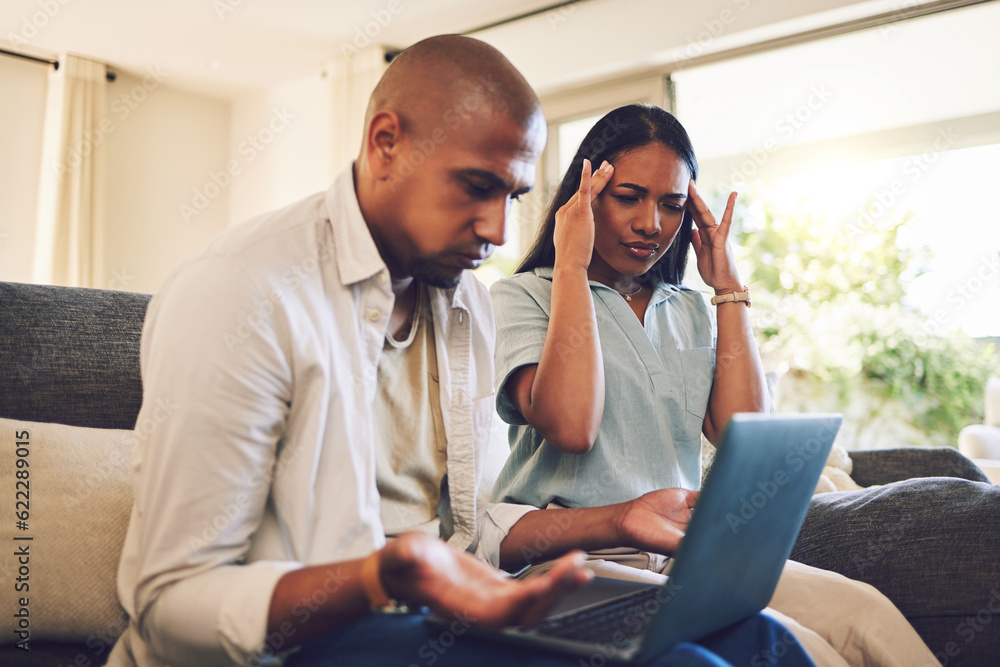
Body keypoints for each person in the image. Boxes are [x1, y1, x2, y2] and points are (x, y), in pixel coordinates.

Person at [107, 37, 814, 667]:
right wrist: (383, 577)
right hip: (319, 639)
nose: (499, 230)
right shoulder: (242, 291)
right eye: (478, 186)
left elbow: (473, 531)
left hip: (455, 610)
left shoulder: (466, 302)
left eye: (515, 194)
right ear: (385, 142)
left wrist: (605, 524)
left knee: (760, 642)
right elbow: (171, 601)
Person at [489, 104, 939, 667]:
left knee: (864, 613)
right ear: (586, 195)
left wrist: (728, 285)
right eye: (629, 196)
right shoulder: (525, 296)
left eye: (672, 205)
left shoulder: (692, 310)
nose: (651, 223)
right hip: (573, 561)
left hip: (687, 555)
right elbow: (572, 425)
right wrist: (573, 267)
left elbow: (739, 430)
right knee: (805, 645)